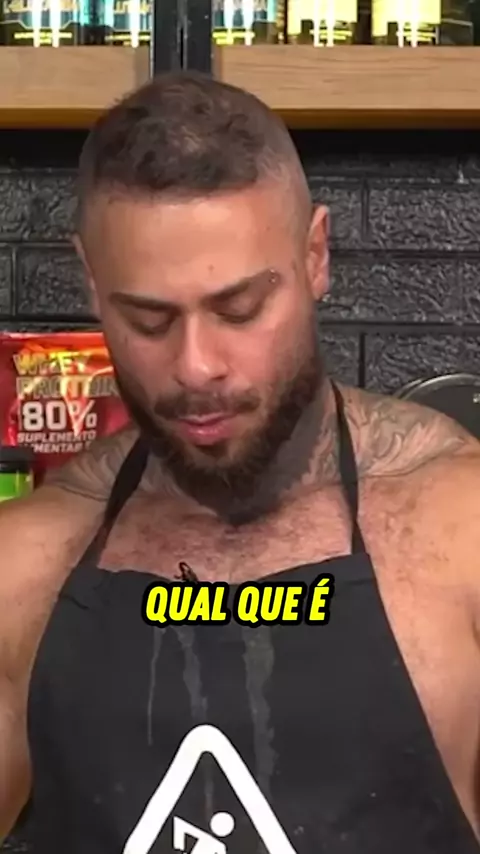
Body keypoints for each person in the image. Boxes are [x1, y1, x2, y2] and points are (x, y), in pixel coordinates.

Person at [1, 70, 480, 854]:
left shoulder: (461, 530)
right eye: (148, 319)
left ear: (315, 256)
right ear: (91, 280)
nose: (197, 366)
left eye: (239, 309)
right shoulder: (22, 563)